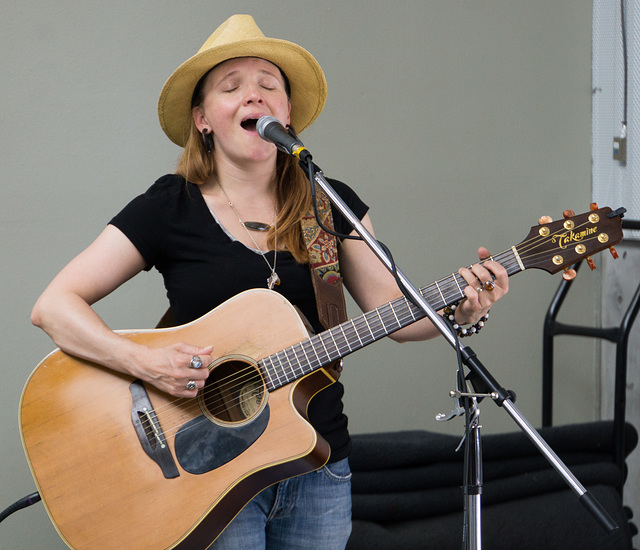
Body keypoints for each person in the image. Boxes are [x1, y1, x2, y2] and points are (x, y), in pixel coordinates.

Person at [31, 14, 508, 550]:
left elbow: (395, 314)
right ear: (204, 119)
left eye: (268, 86)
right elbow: (53, 306)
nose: (253, 97)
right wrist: (144, 363)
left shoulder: (329, 204)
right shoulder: (170, 206)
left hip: (317, 463)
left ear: (286, 113)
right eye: (231, 87)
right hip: (207, 477)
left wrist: (462, 311)